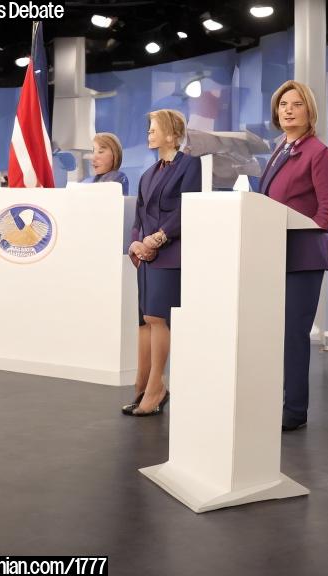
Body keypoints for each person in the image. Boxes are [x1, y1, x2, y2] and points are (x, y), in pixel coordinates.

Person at [259, 80, 328, 431]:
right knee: (276, 333)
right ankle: (278, 401)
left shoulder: (317, 152)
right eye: (283, 105)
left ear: (310, 112)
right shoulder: (279, 149)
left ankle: (294, 411)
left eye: (296, 104)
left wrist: (302, 231)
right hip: (273, 252)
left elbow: (327, 208)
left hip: (303, 256)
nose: (288, 110)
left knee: (294, 333)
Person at [123, 109, 202, 417]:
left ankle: (157, 387)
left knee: (158, 319)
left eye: (154, 129)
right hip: (145, 257)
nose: (149, 134)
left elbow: (186, 208)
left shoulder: (189, 165)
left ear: (172, 133)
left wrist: (157, 239)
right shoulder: (148, 173)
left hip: (171, 254)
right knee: (144, 320)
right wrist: (136, 243)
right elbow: (139, 215)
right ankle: (141, 386)